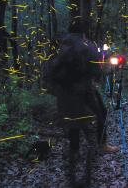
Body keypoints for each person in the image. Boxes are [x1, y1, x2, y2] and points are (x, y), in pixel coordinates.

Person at [43, 27, 118, 186]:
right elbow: (98, 67)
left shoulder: (61, 45)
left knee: (72, 122)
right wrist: (110, 65)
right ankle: (102, 144)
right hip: (83, 89)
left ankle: (74, 153)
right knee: (101, 113)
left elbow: (50, 69)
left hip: (64, 92)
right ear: (83, 32)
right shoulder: (85, 45)